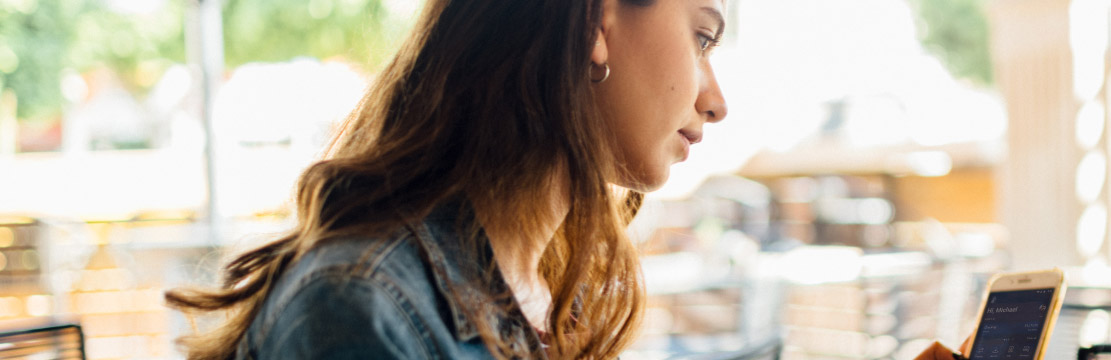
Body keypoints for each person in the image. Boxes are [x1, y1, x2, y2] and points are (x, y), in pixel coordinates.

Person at [165, 0, 728, 358]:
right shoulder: (361, 308)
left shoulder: (549, 292)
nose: (717, 101)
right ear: (592, 22)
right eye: (702, 38)